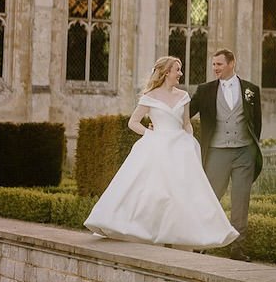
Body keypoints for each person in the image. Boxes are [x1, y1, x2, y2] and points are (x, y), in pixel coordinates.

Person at [84, 56, 239, 249]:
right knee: (153, 191)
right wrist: (150, 134)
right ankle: (147, 230)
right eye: (177, 70)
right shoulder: (149, 97)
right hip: (156, 145)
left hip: (180, 147)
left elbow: (186, 124)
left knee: (182, 193)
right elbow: (133, 122)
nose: (180, 73)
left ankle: (180, 234)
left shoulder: (183, 96)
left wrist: (190, 141)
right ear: (167, 73)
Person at [188, 48, 263, 242]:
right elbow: (186, 113)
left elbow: (256, 123)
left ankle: (238, 247)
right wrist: (162, 122)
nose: (215, 68)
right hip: (217, 152)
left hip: (244, 153)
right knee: (210, 198)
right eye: (213, 64)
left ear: (231, 64)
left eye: (219, 64)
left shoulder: (251, 89)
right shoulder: (205, 90)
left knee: (241, 200)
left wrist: (249, 149)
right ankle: (202, 242)